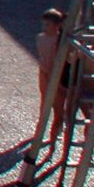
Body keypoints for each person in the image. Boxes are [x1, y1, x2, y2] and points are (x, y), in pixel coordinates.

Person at [36, 8, 72, 146]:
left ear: (57, 26)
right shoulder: (41, 38)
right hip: (45, 74)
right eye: (44, 25)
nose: (45, 28)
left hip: (57, 77)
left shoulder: (61, 41)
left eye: (48, 25)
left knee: (58, 109)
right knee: (44, 105)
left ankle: (53, 136)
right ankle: (41, 134)